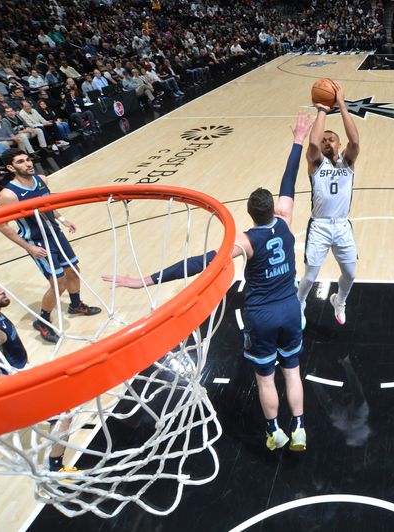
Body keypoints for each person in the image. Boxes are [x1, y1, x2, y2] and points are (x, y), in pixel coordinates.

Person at [104, 111, 313, 452]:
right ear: (274, 209)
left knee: (265, 379)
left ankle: (274, 431)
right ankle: (300, 429)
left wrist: (147, 279)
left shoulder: (244, 241)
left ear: (249, 214)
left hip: (261, 315)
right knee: (292, 372)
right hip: (290, 308)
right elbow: (289, 182)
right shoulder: (286, 221)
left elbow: (200, 262)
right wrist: (298, 141)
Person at [0, 149, 102, 343]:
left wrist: (62, 219)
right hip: (37, 241)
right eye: (21, 162)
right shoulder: (8, 195)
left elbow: (46, 205)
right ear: (11, 167)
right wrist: (28, 247)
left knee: (73, 270)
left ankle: (76, 305)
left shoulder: (42, 179)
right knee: (58, 282)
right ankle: (43, 321)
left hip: (55, 234)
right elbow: (2, 225)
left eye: (28, 159)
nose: (28, 164)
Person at [0, 284, 77, 472]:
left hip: (22, 373)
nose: (1, 289)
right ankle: (55, 469)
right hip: (15, 385)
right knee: (64, 415)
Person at [298, 80, 360, 326]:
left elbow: (355, 142)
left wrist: (341, 105)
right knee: (311, 276)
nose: (326, 142)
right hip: (320, 226)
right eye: (324, 139)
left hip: (342, 226)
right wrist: (322, 109)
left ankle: (340, 300)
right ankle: (300, 302)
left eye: (331, 139)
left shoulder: (348, 161)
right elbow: (312, 143)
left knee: (351, 274)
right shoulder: (315, 162)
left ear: (339, 144)